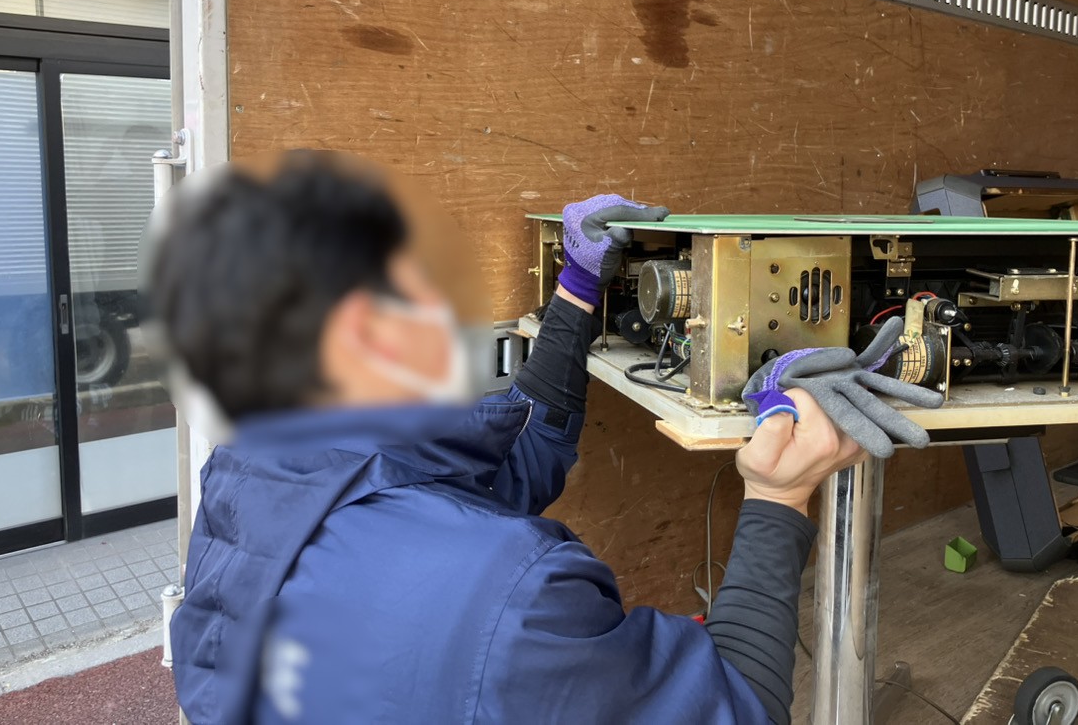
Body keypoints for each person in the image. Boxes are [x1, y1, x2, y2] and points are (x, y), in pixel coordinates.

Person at [152, 150, 884, 724]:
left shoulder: (250, 470)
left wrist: (577, 287)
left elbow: (524, 455)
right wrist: (778, 494)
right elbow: (738, 711)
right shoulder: (513, 591)